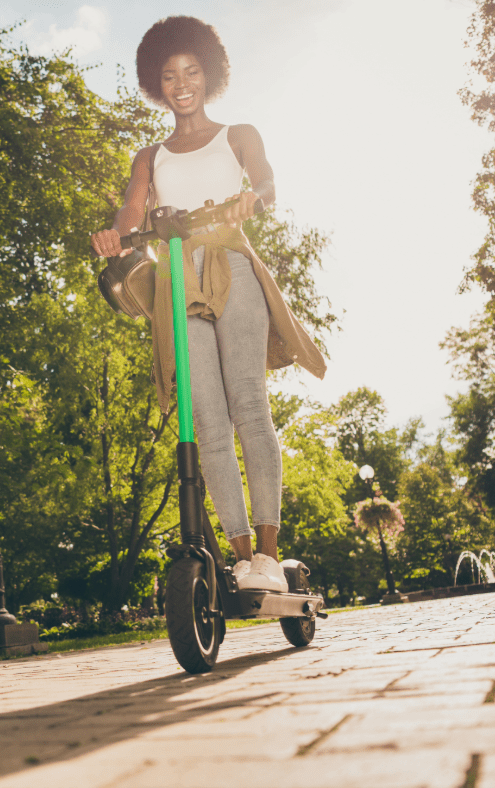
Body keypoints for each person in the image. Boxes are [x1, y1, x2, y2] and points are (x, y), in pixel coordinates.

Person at [90, 15, 325, 593]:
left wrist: (251, 198)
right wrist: (115, 234)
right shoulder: (149, 155)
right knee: (206, 420)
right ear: (157, 83)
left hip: (231, 263)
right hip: (177, 278)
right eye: (170, 75)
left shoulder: (238, 133)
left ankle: (270, 553)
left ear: (209, 73)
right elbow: (131, 208)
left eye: (191, 71)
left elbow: (267, 183)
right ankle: (243, 559)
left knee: (248, 402)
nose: (182, 82)